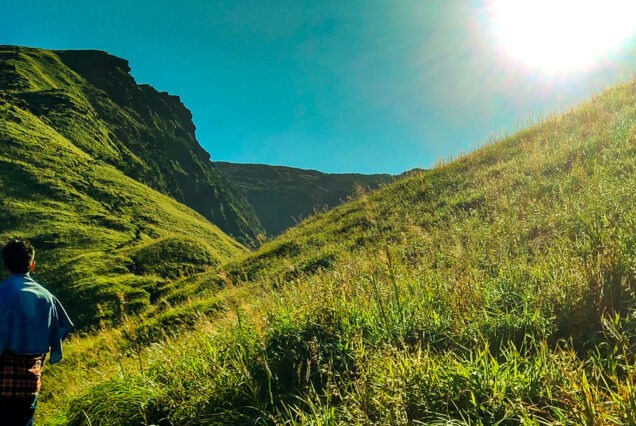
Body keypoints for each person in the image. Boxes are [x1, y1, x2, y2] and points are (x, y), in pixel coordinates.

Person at [0, 239, 74, 425]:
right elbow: (60, 329)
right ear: (32, 265)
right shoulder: (47, 298)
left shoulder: (2, 294)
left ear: (5, 265)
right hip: (30, 381)